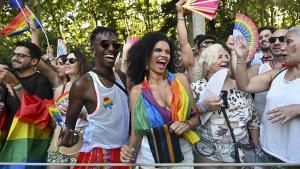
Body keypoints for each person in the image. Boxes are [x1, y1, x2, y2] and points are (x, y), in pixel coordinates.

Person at [120, 31, 200, 169]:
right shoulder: (137, 91)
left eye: (167, 52)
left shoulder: (181, 80)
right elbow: (136, 133)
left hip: (183, 153)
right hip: (149, 156)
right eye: (158, 50)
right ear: (146, 55)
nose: (164, 54)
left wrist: (186, 124)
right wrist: (129, 151)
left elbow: (196, 119)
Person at [59, 26, 130, 169]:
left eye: (115, 45)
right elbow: (69, 127)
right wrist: (68, 137)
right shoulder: (83, 84)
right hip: (96, 156)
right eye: (105, 44)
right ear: (93, 49)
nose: (111, 48)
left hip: (124, 153)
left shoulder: (122, 77)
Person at [234, 26, 300, 167]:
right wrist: (241, 58)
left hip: (294, 160)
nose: (282, 46)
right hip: (266, 153)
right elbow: (244, 86)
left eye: (287, 41)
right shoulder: (277, 73)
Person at [190, 43, 260, 169]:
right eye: (219, 57)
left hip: (241, 154)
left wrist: (255, 146)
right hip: (208, 156)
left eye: (226, 56)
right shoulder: (196, 88)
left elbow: (254, 120)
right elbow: (187, 116)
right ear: (207, 64)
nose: (225, 59)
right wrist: (201, 107)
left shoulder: (242, 86)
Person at [0, 41, 53, 167]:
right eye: (14, 54)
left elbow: (36, 113)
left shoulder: (42, 81)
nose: (14, 58)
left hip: (29, 147)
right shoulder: (9, 79)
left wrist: (16, 84)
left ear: (34, 61)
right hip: (9, 141)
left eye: (20, 56)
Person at [47, 50, 90, 169]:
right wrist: (57, 112)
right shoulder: (59, 89)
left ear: (81, 63)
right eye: (65, 61)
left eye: (71, 60)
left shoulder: (90, 85)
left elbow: (99, 114)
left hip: (82, 134)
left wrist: (80, 112)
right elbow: (53, 120)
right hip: (60, 134)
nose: (67, 63)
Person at [245, 29, 288, 119]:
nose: (276, 43)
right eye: (273, 40)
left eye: (281, 39)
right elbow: (240, 84)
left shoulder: (296, 69)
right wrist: (239, 58)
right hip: (261, 124)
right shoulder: (258, 68)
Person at [175, 1, 216, 83]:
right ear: (197, 49)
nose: (209, 47)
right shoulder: (193, 65)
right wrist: (180, 14)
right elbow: (183, 43)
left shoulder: (224, 64)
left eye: (212, 44)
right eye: (205, 44)